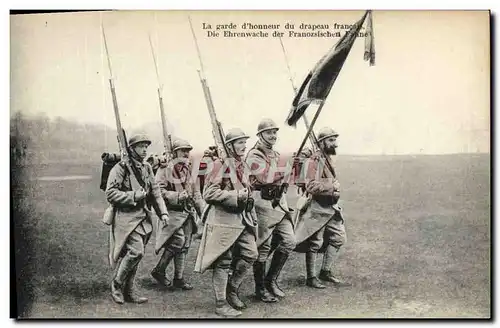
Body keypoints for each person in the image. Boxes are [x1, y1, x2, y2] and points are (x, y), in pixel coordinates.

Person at [194, 128, 258, 317]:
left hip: (242, 219)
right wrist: (235, 195)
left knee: (251, 254)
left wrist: (247, 198)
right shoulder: (218, 165)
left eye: (245, 142)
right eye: (239, 142)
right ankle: (221, 304)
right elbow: (209, 193)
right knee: (223, 262)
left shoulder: (241, 164)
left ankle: (232, 289)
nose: (244, 146)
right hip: (223, 220)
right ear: (229, 145)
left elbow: (246, 189)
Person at [105, 134, 170, 304]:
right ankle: (117, 284)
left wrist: (163, 212)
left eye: (146, 146)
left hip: (143, 218)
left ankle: (129, 290)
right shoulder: (121, 168)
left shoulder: (147, 167)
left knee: (135, 255)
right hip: (125, 218)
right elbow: (110, 193)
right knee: (136, 251)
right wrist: (134, 195)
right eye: (141, 146)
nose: (144, 150)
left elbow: (155, 191)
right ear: (131, 148)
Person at [245, 118, 296, 302]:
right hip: (262, 204)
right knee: (263, 246)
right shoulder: (254, 155)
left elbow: (283, 179)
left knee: (289, 241)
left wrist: (293, 166)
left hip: (278, 203)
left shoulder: (275, 155)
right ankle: (261, 289)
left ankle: (270, 280)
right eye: (268, 132)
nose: (273, 135)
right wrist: (288, 167)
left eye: (274, 132)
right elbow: (266, 176)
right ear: (260, 135)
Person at [293, 127, 350, 288]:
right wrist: (332, 186)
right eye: (331, 140)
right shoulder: (313, 161)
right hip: (318, 207)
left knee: (338, 238)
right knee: (315, 242)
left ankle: (325, 271)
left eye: (334, 139)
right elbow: (310, 186)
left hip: (332, 207)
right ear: (321, 142)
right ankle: (311, 277)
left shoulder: (327, 158)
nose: (335, 144)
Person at [151, 138, 205, 290]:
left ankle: (178, 278)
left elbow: (196, 194)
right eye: (183, 150)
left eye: (188, 150)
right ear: (175, 152)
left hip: (187, 213)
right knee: (178, 241)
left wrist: (203, 213)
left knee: (185, 245)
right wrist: (176, 196)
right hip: (171, 213)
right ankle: (159, 270)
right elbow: (158, 191)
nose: (186, 153)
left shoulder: (188, 169)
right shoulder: (165, 169)